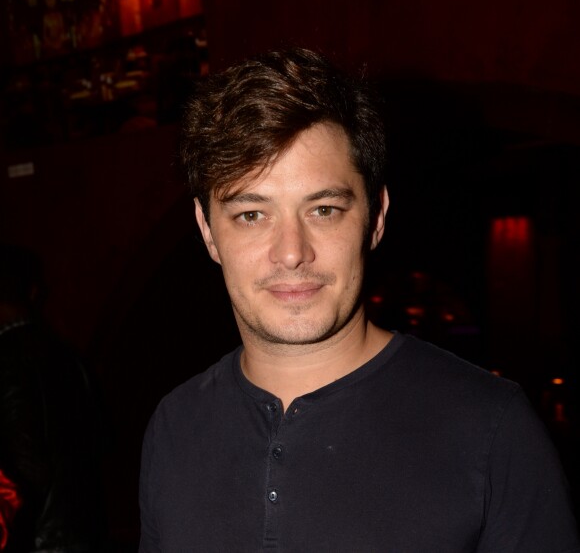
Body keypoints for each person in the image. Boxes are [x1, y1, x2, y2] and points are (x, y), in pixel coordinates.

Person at [138, 48, 580, 551]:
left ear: (376, 217)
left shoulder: (492, 430)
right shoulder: (174, 427)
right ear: (207, 231)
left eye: (323, 209)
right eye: (251, 215)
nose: (291, 253)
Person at [0, 244, 106, 552]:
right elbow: (99, 441)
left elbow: (24, 464)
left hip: (39, 540)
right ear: (33, 293)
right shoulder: (68, 356)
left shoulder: (8, 359)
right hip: (80, 533)